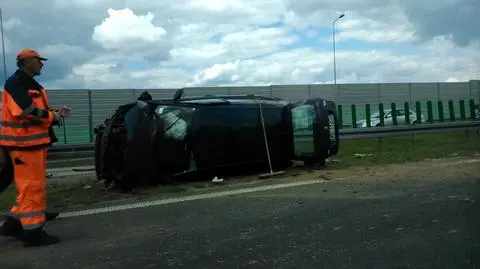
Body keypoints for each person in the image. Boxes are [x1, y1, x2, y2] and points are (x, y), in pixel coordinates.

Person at [0, 49, 70, 247]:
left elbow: (33, 111)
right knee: (32, 188)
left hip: (31, 143)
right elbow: (25, 110)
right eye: (39, 61)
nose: (42, 64)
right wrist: (52, 117)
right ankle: (33, 233)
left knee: (29, 187)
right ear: (27, 61)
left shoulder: (26, 83)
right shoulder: (16, 83)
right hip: (25, 145)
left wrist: (54, 115)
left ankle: (13, 224)